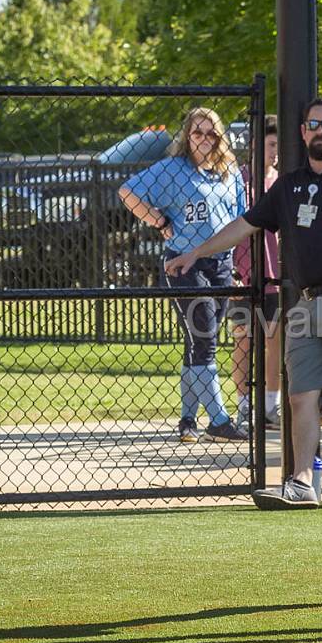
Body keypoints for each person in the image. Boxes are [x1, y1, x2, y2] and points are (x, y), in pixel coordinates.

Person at [166, 98, 322, 510]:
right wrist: (195, 253)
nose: (320, 131)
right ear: (303, 132)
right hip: (302, 302)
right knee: (300, 395)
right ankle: (302, 483)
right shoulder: (288, 184)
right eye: (313, 124)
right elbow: (244, 225)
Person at [120, 107, 246, 444]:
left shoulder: (229, 172)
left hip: (220, 264)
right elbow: (127, 192)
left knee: (199, 341)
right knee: (204, 337)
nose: (204, 139)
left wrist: (234, 267)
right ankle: (219, 419)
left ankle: (188, 419)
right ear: (186, 136)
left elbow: (239, 219)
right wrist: (159, 220)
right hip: (184, 264)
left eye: (211, 133)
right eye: (197, 132)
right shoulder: (173, 169)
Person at [229, 114, 282, 430]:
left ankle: (270, 407)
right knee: (243, 341)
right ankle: (244, 407)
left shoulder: (284, 180)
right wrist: (232, 270)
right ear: (254, 145)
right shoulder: (238, 180)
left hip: (275, 275)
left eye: (279, 144)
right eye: (271, 144)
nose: (276, 151)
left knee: (274, 340)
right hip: (244, 275)